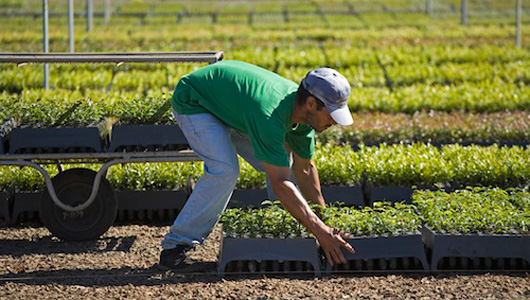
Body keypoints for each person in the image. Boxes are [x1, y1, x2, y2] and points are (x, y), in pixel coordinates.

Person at [159, 60, 355, 271]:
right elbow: (280, 183)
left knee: (286, 165)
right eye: (331, 114)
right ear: (310, 104)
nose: (334, 122)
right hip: (196, 101)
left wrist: (325, 226)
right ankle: (175, 247)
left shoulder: (302, 122)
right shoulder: (269, 115)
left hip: (235, 108)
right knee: (225, 171)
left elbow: (305, 170)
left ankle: (284, 232)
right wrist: (319, 230)